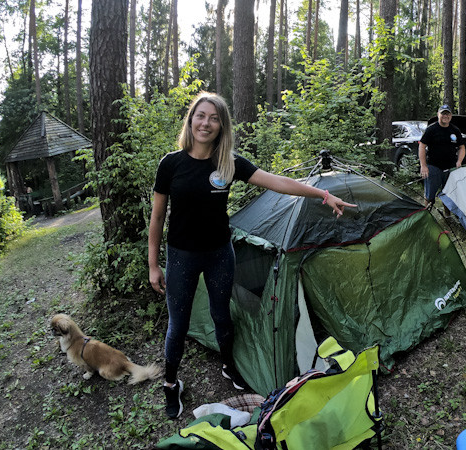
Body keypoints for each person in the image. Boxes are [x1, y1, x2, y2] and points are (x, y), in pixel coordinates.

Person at [148, 92, 356, 419]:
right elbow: (158, 217)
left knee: (222, 317)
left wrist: (323, 193)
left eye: (214, 118)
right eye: (200, 116)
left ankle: (229, 366)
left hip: (219, 254)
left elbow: (278, 182)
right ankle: (172, 383)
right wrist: (152, 265)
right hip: (181, 258)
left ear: (221, 126)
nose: (206, 123)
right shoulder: (171, 164)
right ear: (191, 120)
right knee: (178, 325)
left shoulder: (229, 163)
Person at [418, 104, 466, 212]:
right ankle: (426, 215)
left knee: (448, 195)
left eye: (447, 114)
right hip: (433, 167)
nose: (445, 116)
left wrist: (459, 161)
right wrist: (423, 166)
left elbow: (462, 147)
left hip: (450, 169)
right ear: (438, 115)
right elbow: (422, 146)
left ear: (451, 116)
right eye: (443, 113)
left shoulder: (455, 130)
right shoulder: (431, 129)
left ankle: (447, 215)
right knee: (429, 195)